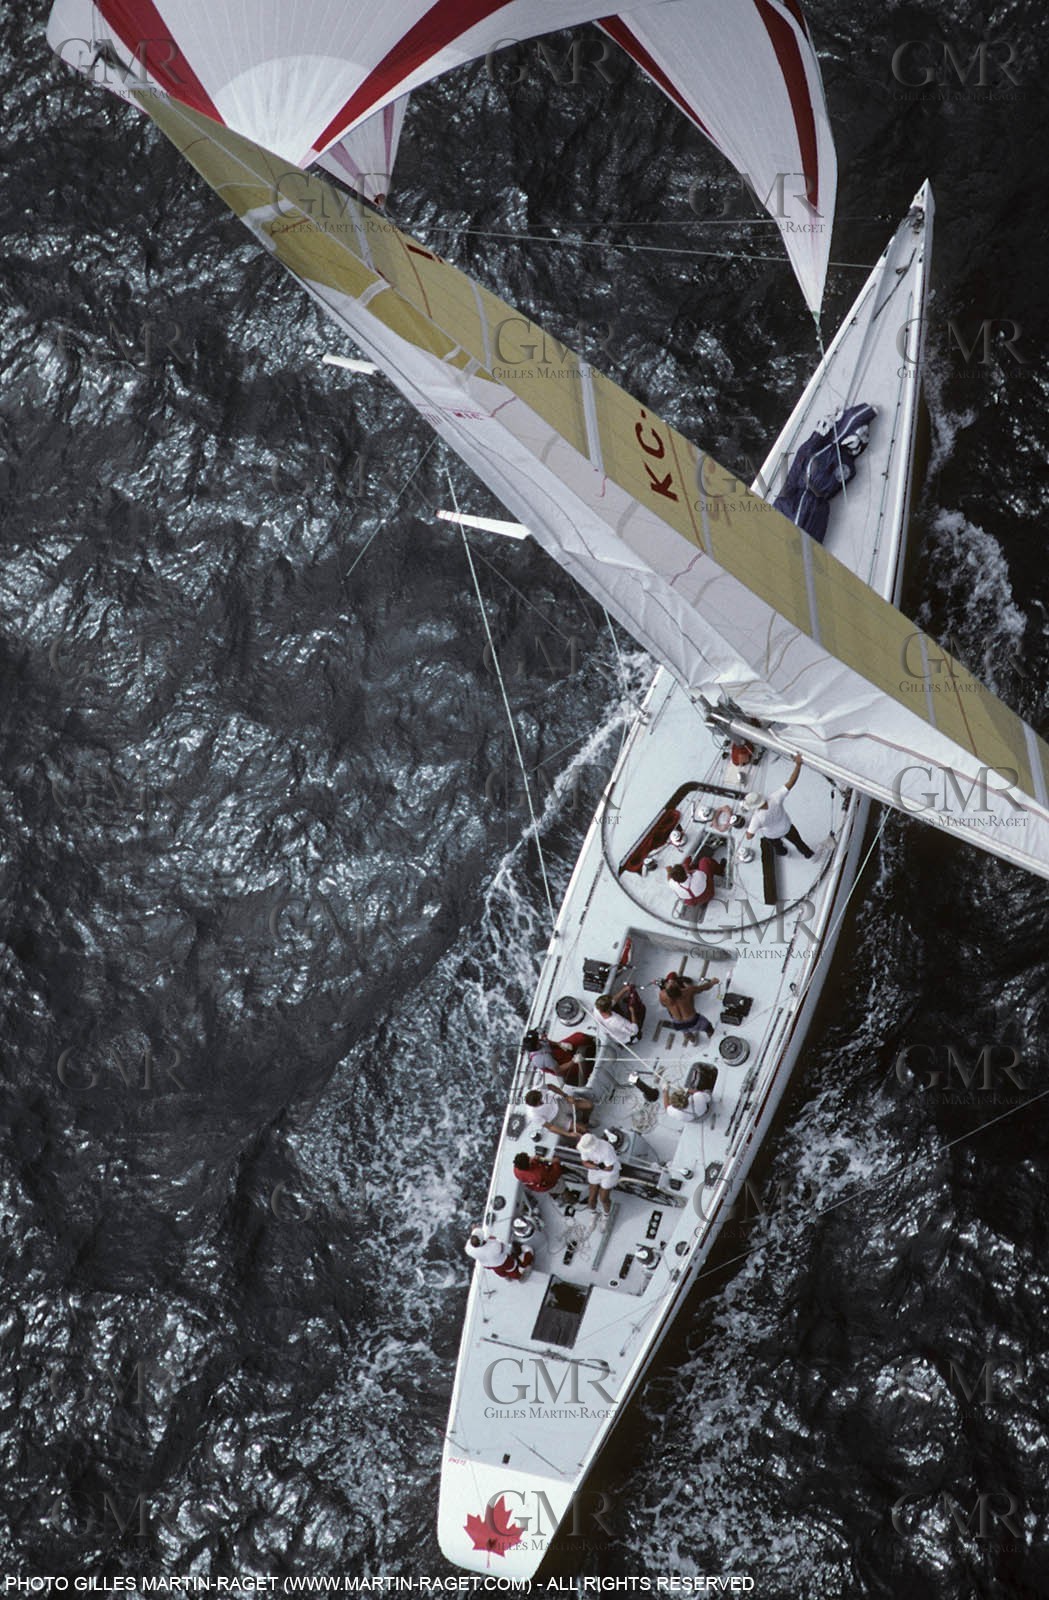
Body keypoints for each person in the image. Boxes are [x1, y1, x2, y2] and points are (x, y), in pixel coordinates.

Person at [739, 752, 813, 859]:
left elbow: (749, 836)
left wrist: (750, 829)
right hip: (787, 827)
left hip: (772, 835)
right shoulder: (775, 798)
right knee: (799, 842)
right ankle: (809, 854)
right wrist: (798, 765)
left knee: (777, 847)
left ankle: (785, 853)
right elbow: (791, 782)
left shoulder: (757, 818)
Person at [658, 970, 719, 1045]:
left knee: (686, 1033)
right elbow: (704, 987)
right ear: (678, 986)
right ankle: (715, 1041)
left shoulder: (662, 995)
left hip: (677, 1023)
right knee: (708, 1028)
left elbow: (663, 1004)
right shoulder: (688, 991)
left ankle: (693, 1042)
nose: (669, 982)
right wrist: (713, 982)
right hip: (693, 1021)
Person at [522, 1027, 596, 1087]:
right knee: (581, 1064)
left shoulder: (538, 1042)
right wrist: (573, 1061)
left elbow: (546, 1042)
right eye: (537, 1039)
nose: (539, 1038)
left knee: (579, 1037)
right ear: (536, 1045)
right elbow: (559, 1071)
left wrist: (560, 1044)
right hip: (560, 1065)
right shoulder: (544, 1059)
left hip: (556, 1050)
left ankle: (593, 1041)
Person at [575, 1132, 621, 1217]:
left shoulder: (606, 1149)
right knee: (591, 1199)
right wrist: (594, 1167)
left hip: (609, 1173)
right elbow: (584, 1162)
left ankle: (606, 1215)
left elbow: (609, 1167)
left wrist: (595, 1166)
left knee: (603, 1198)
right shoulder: (584, 1147)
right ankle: (593, 1213)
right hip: (596, 1169)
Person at [522, 1084, 591, 1140]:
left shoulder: (538, 1089)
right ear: (534, 1105)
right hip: (555, 1119)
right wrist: (568, 1134)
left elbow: (551, 1086)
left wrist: (566, 1096)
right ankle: (581, 1127)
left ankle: (585, 1120)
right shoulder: (533, 1115)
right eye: (540, 1103)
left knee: (589, 1105)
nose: (542, 1102)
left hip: (559, 1104)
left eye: (541, 1099)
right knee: (582, 1129)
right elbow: (550, 1127)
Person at [464, 1230, 533, 1279]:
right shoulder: (494, 1246)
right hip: (502, 1262)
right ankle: (519, 1276)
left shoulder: (469, 1249)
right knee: (512, 1268)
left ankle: (506, 1277)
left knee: (499, 1272)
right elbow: (506, 1249)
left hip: (488, 1265)